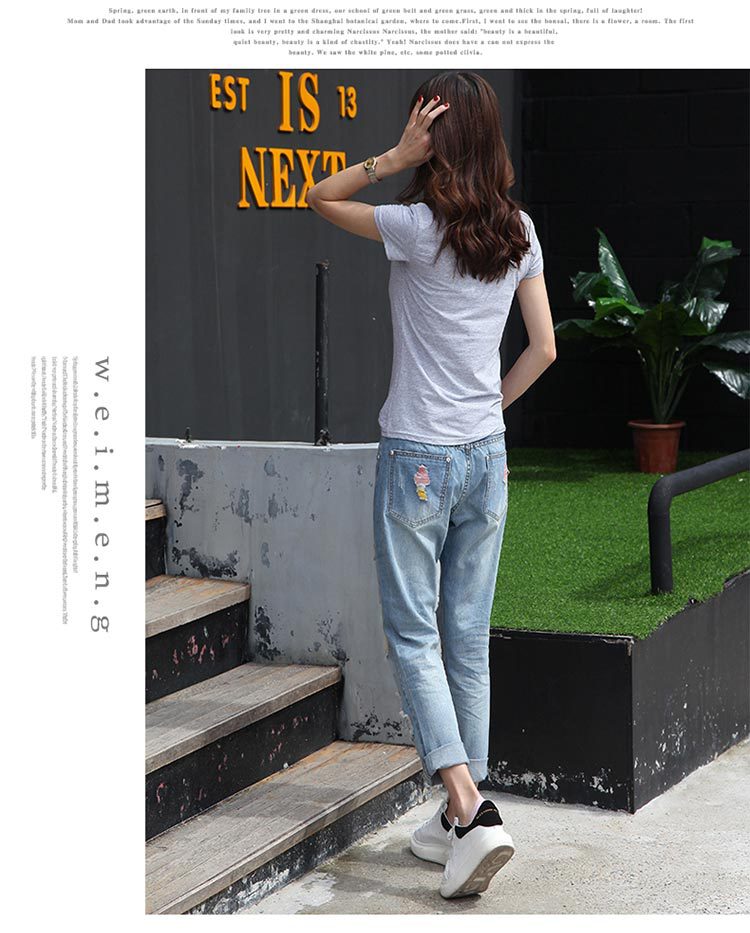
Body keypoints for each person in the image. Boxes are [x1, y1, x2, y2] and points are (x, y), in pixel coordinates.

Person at [306, 71, 556, 899]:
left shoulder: (416, 228)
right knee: (467, 637)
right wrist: (489, 412)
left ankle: (470, 808)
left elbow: (317, 195)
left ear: (434, 140)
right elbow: (544, 348)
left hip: (418, 455)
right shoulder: (519, 229)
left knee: (416, 636)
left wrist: (391, 157)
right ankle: (456, 821)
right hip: (486, 455)